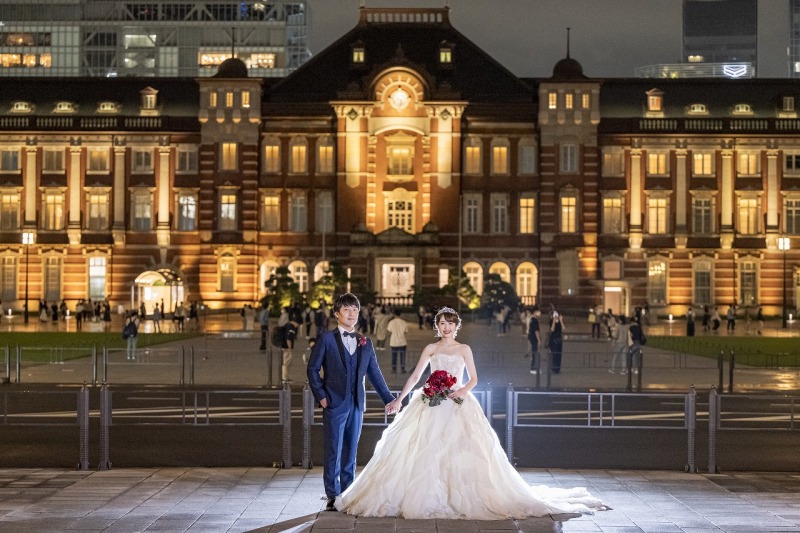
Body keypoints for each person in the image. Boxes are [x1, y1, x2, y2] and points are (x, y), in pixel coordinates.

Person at [335, 307, 605, 518]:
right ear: (437, 326)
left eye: (450, 323)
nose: (446, 327)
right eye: (442, 323)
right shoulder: (431, 348)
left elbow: (474, 378)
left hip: (458, 402)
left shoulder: (464, 349)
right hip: (429, 401)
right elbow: (417, 376)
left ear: (456, 326)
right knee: (422, 449)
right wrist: (399, 399)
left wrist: (460, 390)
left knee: (464, 451)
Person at [306, 293, 396, 512]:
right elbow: (312, 368)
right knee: (333, 451)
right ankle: (332, 494)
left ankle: (347, 492)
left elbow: (374, 373)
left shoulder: (365, 342)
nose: (351, 313)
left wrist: (389, 399)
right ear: (337, 314)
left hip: (357, 405)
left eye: (355, 310)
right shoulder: (327, 339)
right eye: (346, 309)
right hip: (334, 404)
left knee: (351, 451)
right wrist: (322, 396)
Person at [386, 308, 409, 373]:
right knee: (402, 356)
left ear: (394, 314)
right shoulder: (404, 322)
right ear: (400, 314)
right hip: (402, 341)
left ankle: (394, 369)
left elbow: (389, 331)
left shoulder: (391, 322)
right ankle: (402, 369)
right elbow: (405, 332)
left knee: (394, 356)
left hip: (394, 341)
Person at [281, 314, 300, 381]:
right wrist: (290, 348)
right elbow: (288, 338)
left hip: (284, 346)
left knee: (285, 362)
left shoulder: (287, 325)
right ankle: (285, 378)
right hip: (287, 348)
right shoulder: (291, 327)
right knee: (286, 362)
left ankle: (285, 377)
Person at [548, 307, 564, 374]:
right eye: (555, 314)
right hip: (553, 339)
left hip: (559, 339)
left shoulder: (560, 321)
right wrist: (554, 321)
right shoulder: (551, 321)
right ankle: (553, 367)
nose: (556, 316)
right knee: (554, 353)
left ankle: (557, 368)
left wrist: (561, 320)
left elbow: (563, 328)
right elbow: (552, 329)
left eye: (557, 314)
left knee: (559, 354)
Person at [527, 305, 542, 375]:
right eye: (539, 311)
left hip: (531, 338)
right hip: (535, 339)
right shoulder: (535, 320)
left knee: (534, 353)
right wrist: (539, 340)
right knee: (535, 353)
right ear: (535, 312)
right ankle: (533, 368)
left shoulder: (532, 319)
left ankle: (534, 368)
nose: (540, 313)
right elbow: (536, 331)